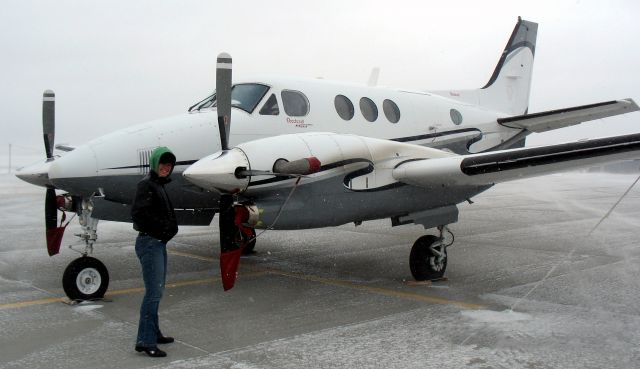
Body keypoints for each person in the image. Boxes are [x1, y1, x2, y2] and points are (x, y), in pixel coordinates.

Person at [131, 146, 179, 358]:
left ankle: (154, 332)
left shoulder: (157, 185)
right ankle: (146, 341)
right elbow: (139, 215)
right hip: (150, 243)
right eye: (162, 163)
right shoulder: (147, 185)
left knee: (157, 291)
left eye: (169, 165)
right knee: (153, 293)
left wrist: (167, 230)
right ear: (154, 163)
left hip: (157, 242)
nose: (166, 168)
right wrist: (164, 228)